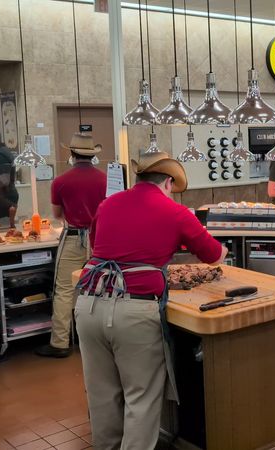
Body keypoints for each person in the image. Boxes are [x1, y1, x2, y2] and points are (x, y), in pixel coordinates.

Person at [75, 151, 227, 448]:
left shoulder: (108, 205)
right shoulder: (175, 212)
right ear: (169, 182)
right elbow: (214, 255)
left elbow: (99, 248)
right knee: (140, 397)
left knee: (102, 394)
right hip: (134, 308)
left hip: (89, 303)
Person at [35, 134, 106, 358]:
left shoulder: (60, 181)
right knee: (104, 288)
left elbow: (57, 215)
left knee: (65, 290)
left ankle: (60, 343)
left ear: (72, 154)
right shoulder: (106, 179)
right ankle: (103, 341)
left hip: (74, 238)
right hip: (101, 239)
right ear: (92, 155)